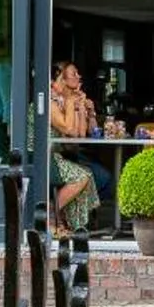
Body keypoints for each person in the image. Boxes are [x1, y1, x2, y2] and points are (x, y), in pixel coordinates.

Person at [48, 61, 104, 229]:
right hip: (43, 157)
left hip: (59, 154)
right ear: (60, 79)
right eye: (74, 74)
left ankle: (74, 223)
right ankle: (51, 213)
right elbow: (69, 129)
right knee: (83, 176)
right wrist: (73, 103)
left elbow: (79, 135)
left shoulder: (62, 101)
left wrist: (82, 109)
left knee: (89, 174)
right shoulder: (50, 100)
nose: (79, 77)